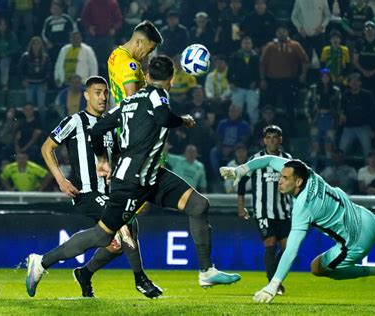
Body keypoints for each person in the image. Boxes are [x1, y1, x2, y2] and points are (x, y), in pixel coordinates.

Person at [26, 56, 241, 297]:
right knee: (104, 234)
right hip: (130, 183)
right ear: (171, 80)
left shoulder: (128, 103)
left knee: (199, 205)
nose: (102, 97)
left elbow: (98, 129)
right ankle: (42, 262)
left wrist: (104, 160)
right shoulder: (157, 96)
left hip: (150, 176)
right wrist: (183, 120)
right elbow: (163, 117)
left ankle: (206, 270)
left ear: (147, 76)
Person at [26, 76, 162, 299]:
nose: (102, 97)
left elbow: (117, 158)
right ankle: (140, 279)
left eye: (105, 93)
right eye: (97, 93)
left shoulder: (110, 125)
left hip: (108, 193)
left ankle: (72, 270)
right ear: (86, 95)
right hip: (86, 193)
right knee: (127, 221)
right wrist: (61, 179)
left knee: (112, 242)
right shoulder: (75, 121)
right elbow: (46, 148)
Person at [220, 156, 375, 304]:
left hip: (355, 242)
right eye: (280, 176)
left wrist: (273, 285)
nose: (279, 181)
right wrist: (240, 170)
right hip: (368, 218)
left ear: (298, 181)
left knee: (318, 268)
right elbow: (268, 160)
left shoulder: (303, 208)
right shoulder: (307, 171)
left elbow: (291, 250)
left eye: (285, 178)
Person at [236, 125, 292, 294]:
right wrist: (241, 206)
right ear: (264, 140)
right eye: (268, 137)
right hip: (263, 211)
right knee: (270, 244)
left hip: (284, 211)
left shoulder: (287, 159)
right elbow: (241, 181)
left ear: (280, 139)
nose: (272, 141)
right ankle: (273, 283)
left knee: (288, 249)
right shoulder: (256, 159)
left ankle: (275, 278)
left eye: (275, 137)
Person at [107, 20, 163, 105]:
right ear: (138, 42)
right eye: (150, 50)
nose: (149, 54)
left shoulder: (116, 53)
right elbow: (132, 105)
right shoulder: (130, 65)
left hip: (119, 111)